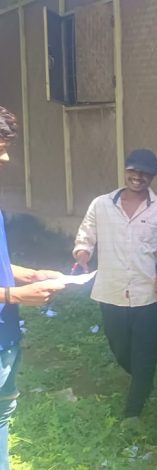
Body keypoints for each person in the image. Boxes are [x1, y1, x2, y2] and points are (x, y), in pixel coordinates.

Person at [73, 148, 157, 427]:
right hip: (111, 291)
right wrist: (83, 254)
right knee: (120, 348)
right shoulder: (101, 204)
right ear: (125, 170)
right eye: (133, 171)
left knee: (146, 352)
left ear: (153, 176)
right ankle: (142, 378)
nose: (138, 177)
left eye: (145, 173)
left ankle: (133, 411)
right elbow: (86, 235)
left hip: (147, 294)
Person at [0, 106, 66, 470]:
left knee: (3, 415)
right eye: (0, 148)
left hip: (5, 336)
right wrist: (13, 295)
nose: (7, 158)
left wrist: (28, 275)